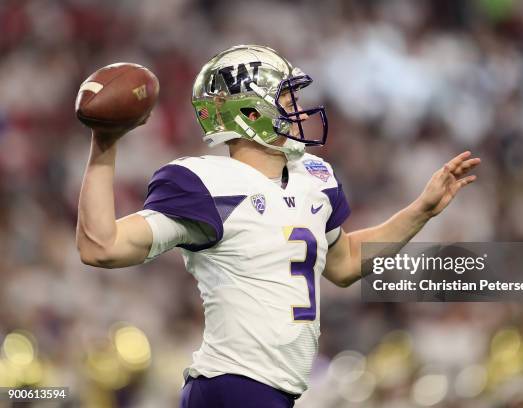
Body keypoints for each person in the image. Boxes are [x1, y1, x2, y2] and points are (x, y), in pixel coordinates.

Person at [76, 45, 480, 407]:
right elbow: (101, 247)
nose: (301, 111)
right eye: (288, 99)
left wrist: (421, 211)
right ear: (251, 113)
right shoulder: (205, 183)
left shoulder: (315, 177)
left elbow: (344, 264)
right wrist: (105, 144)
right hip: (232, 384)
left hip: (272, 391)